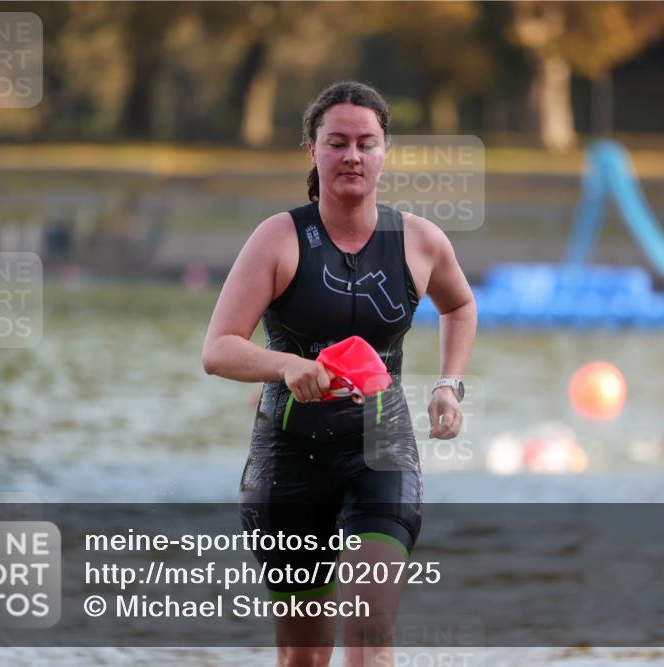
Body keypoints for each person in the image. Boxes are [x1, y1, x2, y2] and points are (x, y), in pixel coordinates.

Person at [202, 81, 476, 667]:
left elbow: (459, 306)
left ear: (384, 153)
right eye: (337, 142)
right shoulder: (278, 238)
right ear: (313, 150)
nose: (352, 155)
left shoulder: (420, 242)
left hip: (382, 450)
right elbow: (218, 349)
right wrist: (286, 365)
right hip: (288, 461)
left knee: (371, 631)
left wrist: (448, 385)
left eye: (366, 143)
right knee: (304, 657)